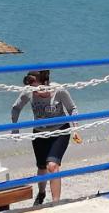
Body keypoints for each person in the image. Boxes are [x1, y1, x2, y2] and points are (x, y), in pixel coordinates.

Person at [11, 70, 77, 205]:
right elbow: (16, 107)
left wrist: (76, 129)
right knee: (42, 167)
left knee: (52, 165)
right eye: (33, 89)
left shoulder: (58, 90)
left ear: (45, 83)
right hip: (39, 132)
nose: (35, 92)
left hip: (60, 130)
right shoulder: (28, 91)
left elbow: (72, 108)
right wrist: (15, 128)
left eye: (38, 88)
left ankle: (55, 203)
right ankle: (41, 193)